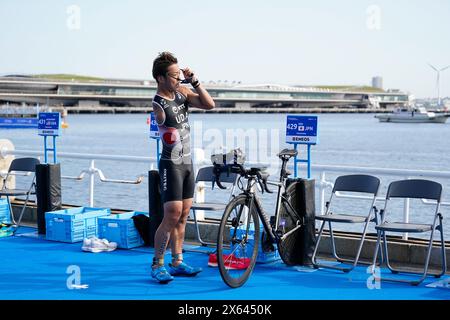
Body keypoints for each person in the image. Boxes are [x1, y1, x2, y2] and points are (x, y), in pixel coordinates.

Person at [150, 52, 215, 283]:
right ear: (161, 78)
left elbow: (209, 104)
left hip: (188, 163)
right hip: (171, 165)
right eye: (174, 75)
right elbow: (162, 126)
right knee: (172, 215)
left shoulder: (183, 93)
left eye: (179, 74)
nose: (178, 78)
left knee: (184, 215)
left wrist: (194, 81)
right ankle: (157, 264)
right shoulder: (158, 103)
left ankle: (177, 261)